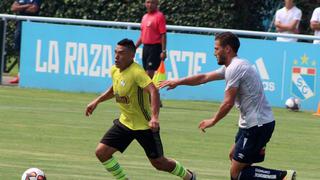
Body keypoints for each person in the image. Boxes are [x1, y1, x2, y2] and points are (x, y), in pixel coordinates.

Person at [160, 32, 296, 180]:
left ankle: (282, 176)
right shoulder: (233, 66)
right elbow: (204, 77)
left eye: (216, 48)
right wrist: (178, 81)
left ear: (228, 49)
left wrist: (213, 120)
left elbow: (228, 102)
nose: (214, 53)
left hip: (257, 126)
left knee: (236, 174)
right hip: (252, 124)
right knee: (234, 157)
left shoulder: (235, 68)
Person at [85, 39, 195, 180]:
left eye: (121, 53)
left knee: (159, 163)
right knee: (102, 152)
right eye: (115, 52)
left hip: (144, 126)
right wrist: (97, 101)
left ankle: (189, 176)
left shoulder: (137, 73)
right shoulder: (114, 70)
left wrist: (155, 117)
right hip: (125, 123)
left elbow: (154, 91)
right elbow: (115, 88)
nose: (116, 57)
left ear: (132, 56)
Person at [10, 0, 42, 84]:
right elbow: (13, 8)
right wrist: (27, 5)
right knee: (19, 51)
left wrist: (20, 7)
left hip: (32, 26)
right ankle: (20, 75)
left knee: (32, 51)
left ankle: (31, 76)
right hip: (20, 26)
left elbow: (34, 9)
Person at [135, 0, 167, 79]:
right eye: (148, 2)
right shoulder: (144, 17)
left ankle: (150, 91)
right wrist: (134, 47)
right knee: (146, 71)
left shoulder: (159, 16)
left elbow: (163, 34)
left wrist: (163, 51)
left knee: (150, 72)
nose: (150, 5)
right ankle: (151, 91)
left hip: (155, 48)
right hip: (145, 47)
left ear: (156, 4)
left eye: (152, 2)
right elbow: (142, 36)